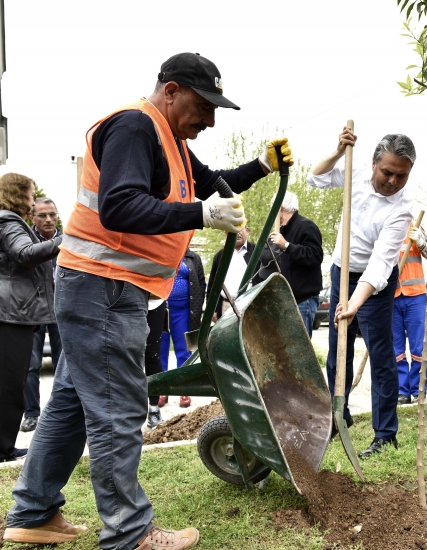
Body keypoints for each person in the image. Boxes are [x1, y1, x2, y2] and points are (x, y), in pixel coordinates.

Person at [4, 52, 292, 550]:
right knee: (119, 406)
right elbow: (120, 205)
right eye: (204, 106)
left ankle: (32, 513)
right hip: (104, 289)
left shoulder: (170, 139)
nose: (209, 119)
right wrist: (202, 214)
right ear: (172, 90)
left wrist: (261, 166)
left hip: (99, 288)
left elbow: (209, 184)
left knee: (71, 406)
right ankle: (129, 531)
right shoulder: (136, 127)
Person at [307, 127, 415, 458]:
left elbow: (381, 265)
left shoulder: (402, 209)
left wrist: (354, 303)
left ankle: (385, 434)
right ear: (373, 163)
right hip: (341, 270)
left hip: (374, 286)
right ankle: (339, 417)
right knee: (338, 354)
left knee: (381, 357)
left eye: (401, 175)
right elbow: (315, 177)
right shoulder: (353, 172)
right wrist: (338, 150)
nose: (393, 181)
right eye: (387, 172)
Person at [0, 174, 62, 462]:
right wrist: (67, 238)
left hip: (15, 310)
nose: (33, 198)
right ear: (17, 193)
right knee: (11, 383)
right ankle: (3, 448)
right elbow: (24, 254)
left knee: (11, 381)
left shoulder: (11, 221)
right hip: (13, 312)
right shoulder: (9, 221)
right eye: (29, 193)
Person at [20, 198, 63, 433]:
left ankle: (58, 413)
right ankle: (31, 414)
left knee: (63, 364)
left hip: (61, 312)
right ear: (32, 218)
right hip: (34, 312)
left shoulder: (68, 242)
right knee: (31, 365)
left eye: (52, 215)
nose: (48, 219)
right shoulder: (26, 244)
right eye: (42, 215)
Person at [257, 191, 324, 337]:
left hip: (301, 302)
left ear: (279, 208)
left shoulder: (306, 226)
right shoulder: (280, 232)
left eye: (272, 208)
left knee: (299, 354)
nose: (271, 212)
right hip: (281, 302)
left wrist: (286, 245)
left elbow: (315, 256)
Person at [159, 248, 206, 408]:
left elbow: (201, 283)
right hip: (161, 309)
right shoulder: (160, 252)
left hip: (184, 311)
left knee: (183, 349)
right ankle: (162, 388)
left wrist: (197, 308)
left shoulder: (193, 257)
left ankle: (183, 388)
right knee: (160, 348)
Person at [394, 222, 427, 405]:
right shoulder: (382, 227)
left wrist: (421, 243)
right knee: (396, 349)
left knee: (419, 347)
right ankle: (402, 390)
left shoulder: (414, 226)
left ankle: (419, 389)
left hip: (415, 296)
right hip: (392, 296)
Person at [207, 225, 259, 321]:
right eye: (233, 230)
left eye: (240, 229)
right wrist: (212, 310)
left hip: (250, 306)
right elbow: (212, 285)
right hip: (226, 307)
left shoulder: (257, 252)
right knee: (226, 336)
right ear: (227, 233)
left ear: (247, 230)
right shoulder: (220, 255)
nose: (238, 233)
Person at [145, 298, 167, 428]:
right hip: (126, 301)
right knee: (126, 357)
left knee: (152, 356)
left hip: (154, 301)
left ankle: (154, 409)